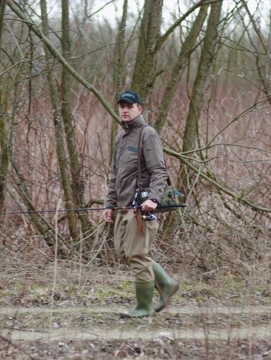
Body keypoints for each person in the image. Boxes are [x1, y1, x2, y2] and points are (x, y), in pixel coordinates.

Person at [103, 90, 179, 318]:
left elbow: (159, 170)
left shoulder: (148, 134)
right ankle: (165, 284)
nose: (124, 109)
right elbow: (115, 175)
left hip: (142, 210)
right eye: (122, 106)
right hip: (123, 208)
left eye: (130, 106)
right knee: (125, 252)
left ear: (140, 109)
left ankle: (143, 307)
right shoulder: (121, 138)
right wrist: (110, 203)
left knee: (137, 255)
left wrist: (153, 199)